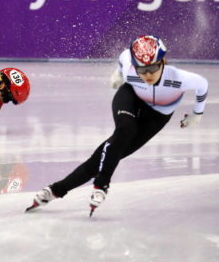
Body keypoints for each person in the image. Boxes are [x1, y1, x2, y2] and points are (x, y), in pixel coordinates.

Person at [26, 35, 208, 216]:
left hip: (158, 115)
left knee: (108, 155)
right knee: (125, 130)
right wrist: (119, 73)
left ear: (163, 62)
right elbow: (124, 58)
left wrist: (197, 114)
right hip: (132, 96)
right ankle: (102, 185)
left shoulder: (180, 78)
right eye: (142, 70)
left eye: (153, 68)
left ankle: (56, 190)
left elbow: (203, 85)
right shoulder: (130, 66)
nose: (148, 75)